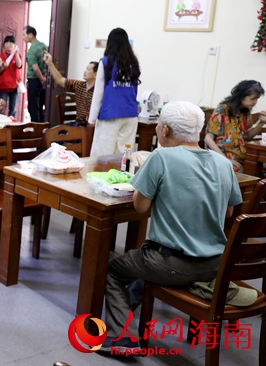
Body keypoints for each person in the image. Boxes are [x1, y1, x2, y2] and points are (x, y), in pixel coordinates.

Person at [99, 101, 241, 352]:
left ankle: (121, 338)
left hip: (171, 265)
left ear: (164, 130)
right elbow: (229, 212)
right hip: (214, 266)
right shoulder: (223, 164)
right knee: (143, 265)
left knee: (115, 270)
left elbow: (141, 207)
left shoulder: (161, 156)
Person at [87, 27, 141, 156]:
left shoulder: (106, 62)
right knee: (125, 154)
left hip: (110, 114)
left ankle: (101, 176)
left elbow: (98, 92)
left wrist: (91, 119)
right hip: (130, 114)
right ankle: (123, 175)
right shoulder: (133, 63)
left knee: (103, 154)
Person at [205, 80, 266, 172]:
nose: (255, 102)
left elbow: (248, 136)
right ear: (241, 96)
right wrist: (226, 160)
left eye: (257, 99)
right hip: (220, 157)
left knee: (257, 170)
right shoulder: (222, 110)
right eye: (252, 99)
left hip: (240, 158)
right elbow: (208, 139)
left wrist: (261, 123)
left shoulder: (245, 112)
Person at [44, 52, 98, 126]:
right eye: (86, 68)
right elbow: (59, 80)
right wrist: (50, 63)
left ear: (95, 75)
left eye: (88, 69)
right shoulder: (79, 85)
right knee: (57, 132)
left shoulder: (99, 91)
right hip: (78, 124)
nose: (85, 71)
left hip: (92, 127)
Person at [23, 25, 49, 122]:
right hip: (43, 79)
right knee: (40, 106)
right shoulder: (44, 46)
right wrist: (44, 76)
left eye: (24, 35)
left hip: (34, 80)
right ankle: (42, 128)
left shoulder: (32, 50)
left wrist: (41, 78)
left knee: (33, 107)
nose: (23, 37)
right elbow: (47, 61)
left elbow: (35, 67)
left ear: (30, 35)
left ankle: (35, 129)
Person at [0, 35, 23, 119]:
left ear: (14, 45)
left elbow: (19, 66)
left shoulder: (18, 55)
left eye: (11, 43)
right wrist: (3, 66)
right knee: (2, 108)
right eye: (6, 43)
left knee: (13, 109)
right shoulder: (0, 56)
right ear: (4, 45)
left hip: (14, 86)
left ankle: (12, 125)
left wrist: (16, 54)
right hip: (3, 86)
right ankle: (2, 124)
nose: (8, 46)